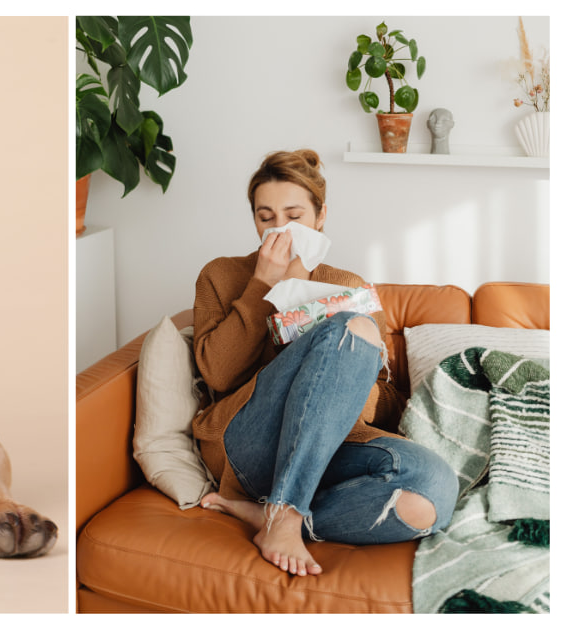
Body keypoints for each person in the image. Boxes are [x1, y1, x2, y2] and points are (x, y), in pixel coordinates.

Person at [191, 150, 457, 577]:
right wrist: (264, 285)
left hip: (326, 451)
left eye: (293, 215)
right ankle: (285, 514)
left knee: (433, 490)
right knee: (348, 329)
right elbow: (218, 374)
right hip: (245, 444)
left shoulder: (348, 286)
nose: (279, 229)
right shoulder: (221, 276)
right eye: (266, 216)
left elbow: (383, 405)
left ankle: (275, 516)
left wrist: (334, 367)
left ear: (320, 217)